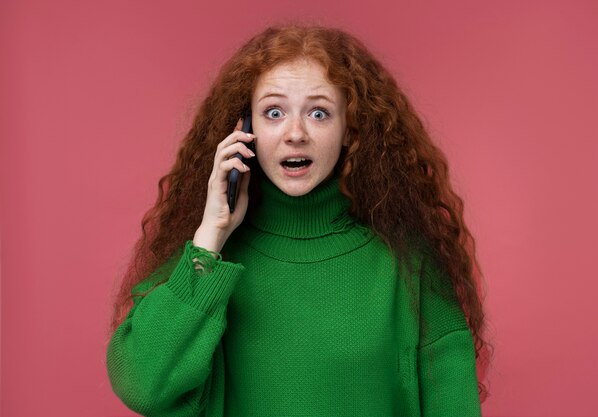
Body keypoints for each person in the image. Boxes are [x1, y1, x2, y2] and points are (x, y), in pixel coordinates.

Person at [106, 22, 492, 417]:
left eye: (319, 113)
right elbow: (143, 387)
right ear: (245, 130)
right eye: (273, 112)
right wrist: (210, 237)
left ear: (349, 130)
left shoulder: (409, 267)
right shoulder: (206, 266)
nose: (295, 133)